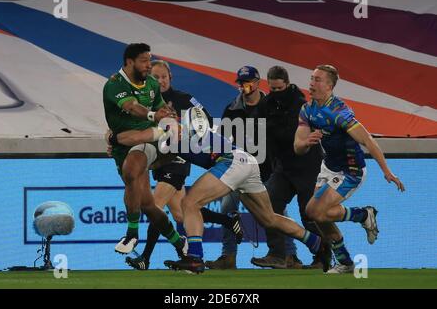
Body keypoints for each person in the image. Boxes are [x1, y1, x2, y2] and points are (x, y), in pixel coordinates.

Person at [109, 107, 333, 274]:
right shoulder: (192, 130)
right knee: (269, 219)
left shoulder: (171, 134)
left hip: (232, 162)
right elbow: (165, 156)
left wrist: (114, 140)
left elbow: (142, 142)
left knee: (189, 204)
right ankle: (316, 243)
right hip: (247, 161)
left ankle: (195, 257)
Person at [125, 60, 243, 270]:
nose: (160, 80)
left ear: (171, 77)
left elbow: (204, 119)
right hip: (160, 161)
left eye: (164, 76)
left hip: (177, 161)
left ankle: (145, 258)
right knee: (181, 213)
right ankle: (225, 222)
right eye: (155, 77)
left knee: (155, 206)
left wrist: (186, 132)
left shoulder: (185, 99)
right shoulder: (147, 103)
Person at [294, 64, 405, 273]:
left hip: (350, 170)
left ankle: (363, 215)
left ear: (329, 86)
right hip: (328, 167)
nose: (311, 83)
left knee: (315, 210)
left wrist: (387, 171)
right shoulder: (307, 110)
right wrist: (306, 141)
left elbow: (368, 141)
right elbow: (297, 147)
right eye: (311, 78)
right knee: (317, 215)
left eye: (317, 80)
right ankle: (345, 262)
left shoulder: (339, 112)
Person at [205, 65, 299, 270]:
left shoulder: (271, 106)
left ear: (257, 83)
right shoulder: (232, 109)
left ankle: (291, 256)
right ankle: (228, 257)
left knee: (277, 211)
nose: (243, 86)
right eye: (240, 82)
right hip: (239, 171)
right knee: (227, 208)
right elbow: (221, 139)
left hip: (267, 170)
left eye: (247, 82)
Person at [103, 43, 186, 258]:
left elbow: (158, 106)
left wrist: (166, 115)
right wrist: (153, 115)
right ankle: (179, 243)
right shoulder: (114, 84)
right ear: (129, 62)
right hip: (124, 146)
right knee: (148, 205)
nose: (148, 66)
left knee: (132, 168)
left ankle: (131, 234)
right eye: (144, 61)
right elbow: (131, 107)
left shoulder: (150, 83)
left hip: (147, 141)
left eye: (149, 60)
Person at [250, 66, 324, 270]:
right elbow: (261, 132)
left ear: (287, 84)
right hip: (283, 166)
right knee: (268, 204)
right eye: (272, 88)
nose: (275, 92)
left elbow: (291, 134)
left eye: (279, 88)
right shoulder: (266, 104)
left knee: (309, 212)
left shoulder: (301, 105)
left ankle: (322, 257)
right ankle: (277, 254)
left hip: (307, 165)